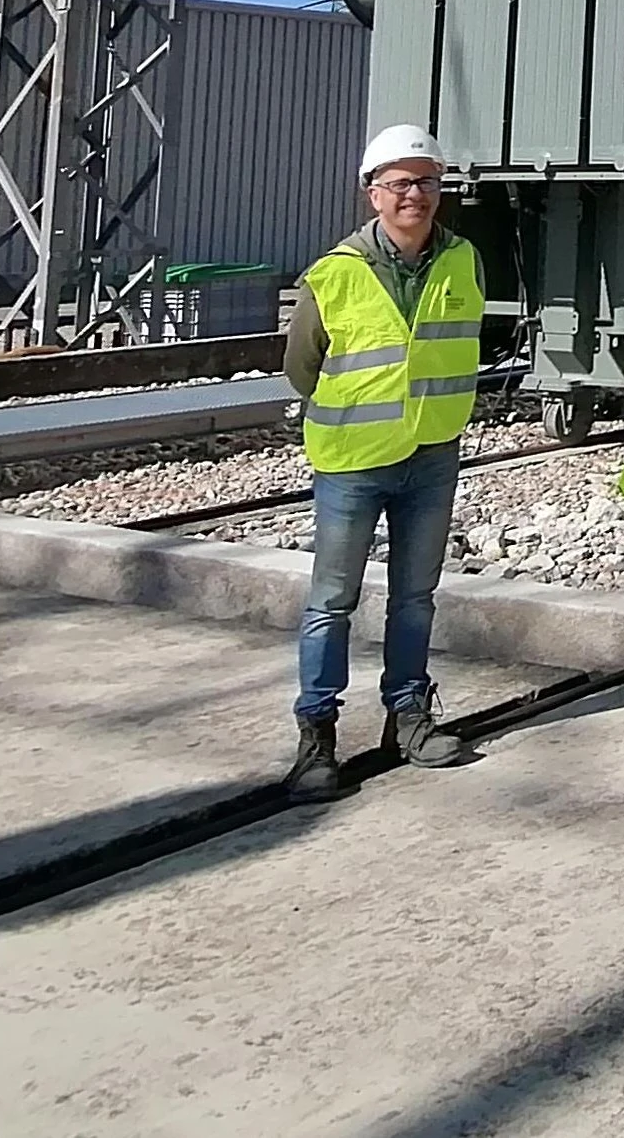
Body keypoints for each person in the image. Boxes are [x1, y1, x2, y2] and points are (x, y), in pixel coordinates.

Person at [281, 124, 484, 802]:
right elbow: (301, 366)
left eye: (426, 181)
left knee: (415, 598)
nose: (415, 195)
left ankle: (408, 715)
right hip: (353, 460)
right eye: (400, 183)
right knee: (331, 602)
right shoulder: (334, 271)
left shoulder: (464, 259)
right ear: (373, 193)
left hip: (431, 453)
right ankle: (317, 736)